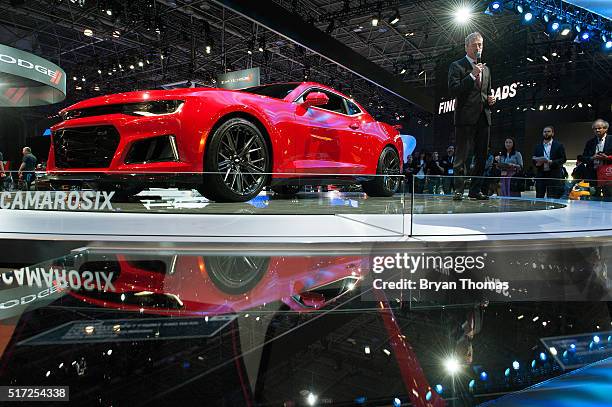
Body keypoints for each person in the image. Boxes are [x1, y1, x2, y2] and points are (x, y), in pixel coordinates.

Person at [448, 32, 496, 201]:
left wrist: (491, 98)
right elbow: (454, 90)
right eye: (475, 44)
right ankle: (459, 190)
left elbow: (487, 92)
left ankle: (475, 190)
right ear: (466, 46)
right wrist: (471, 75)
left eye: (480, 44)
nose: (478, 48)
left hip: (484, 117)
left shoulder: (487, 70)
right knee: (462, 156)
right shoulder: (457, 66)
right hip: (465, 117)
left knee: (482, 156)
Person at [532, 126, 566, 199]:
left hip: (553, 175)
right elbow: (533, 160)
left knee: (552, 198)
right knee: (539, 197)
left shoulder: (559, 145)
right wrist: (537, 163)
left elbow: (563, 159)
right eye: (544, 132)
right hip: (541, 174)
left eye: (548, 131)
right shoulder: (538, 146)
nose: (546, 133)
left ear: (552, 133)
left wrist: (551, 162)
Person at [582, 119, 612, 200]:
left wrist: (606, 158)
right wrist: (592, 158)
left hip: (608, 174)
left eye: (599, 128)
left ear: (606, 129)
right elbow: (584, 158)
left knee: (609, 197)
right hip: (593, 174)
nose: (597, 130)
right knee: (593, 199)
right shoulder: (590, 142)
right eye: (595, 129)